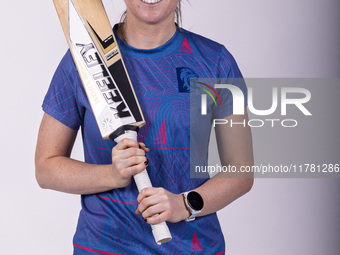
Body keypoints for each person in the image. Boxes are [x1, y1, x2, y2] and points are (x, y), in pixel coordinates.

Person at [35, 0, 254, 254]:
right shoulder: (83, 62)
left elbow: (241, 170)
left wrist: (184, 204)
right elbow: (45, 167)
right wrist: (112, 175)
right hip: (104, 246)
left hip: (193, 247)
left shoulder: (215, 61)